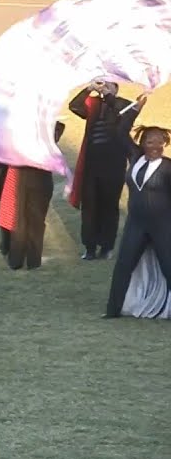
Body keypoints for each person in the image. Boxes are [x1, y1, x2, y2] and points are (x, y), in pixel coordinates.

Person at [67, 80, 147, 260]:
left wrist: (108, 95)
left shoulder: (124, 105)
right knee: (89, 207)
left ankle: (106, 246)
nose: (104, 87)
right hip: (92, 164)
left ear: (116, 89)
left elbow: (123, 116)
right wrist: (88, 89)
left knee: (109, 207)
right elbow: (74, 106)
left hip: (113, 164)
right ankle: (89, 247)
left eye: (109, 85)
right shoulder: (93, 104)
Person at [103, 125, 171, 319]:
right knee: (124, 265)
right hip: (136, 224)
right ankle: (112, 310)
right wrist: (136, 106)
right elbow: (120, 130)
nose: (156, 146)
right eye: (150, 141)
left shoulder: (168, 167)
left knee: (169, 266)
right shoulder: (135, 158)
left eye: (160, 142)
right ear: (142, 144)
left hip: (163, 226)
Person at [0, 121, 64, 270]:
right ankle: (17, 257)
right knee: (18, 218)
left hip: (35, 178)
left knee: (33, 220)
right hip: (21, 175)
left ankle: (28, 259)